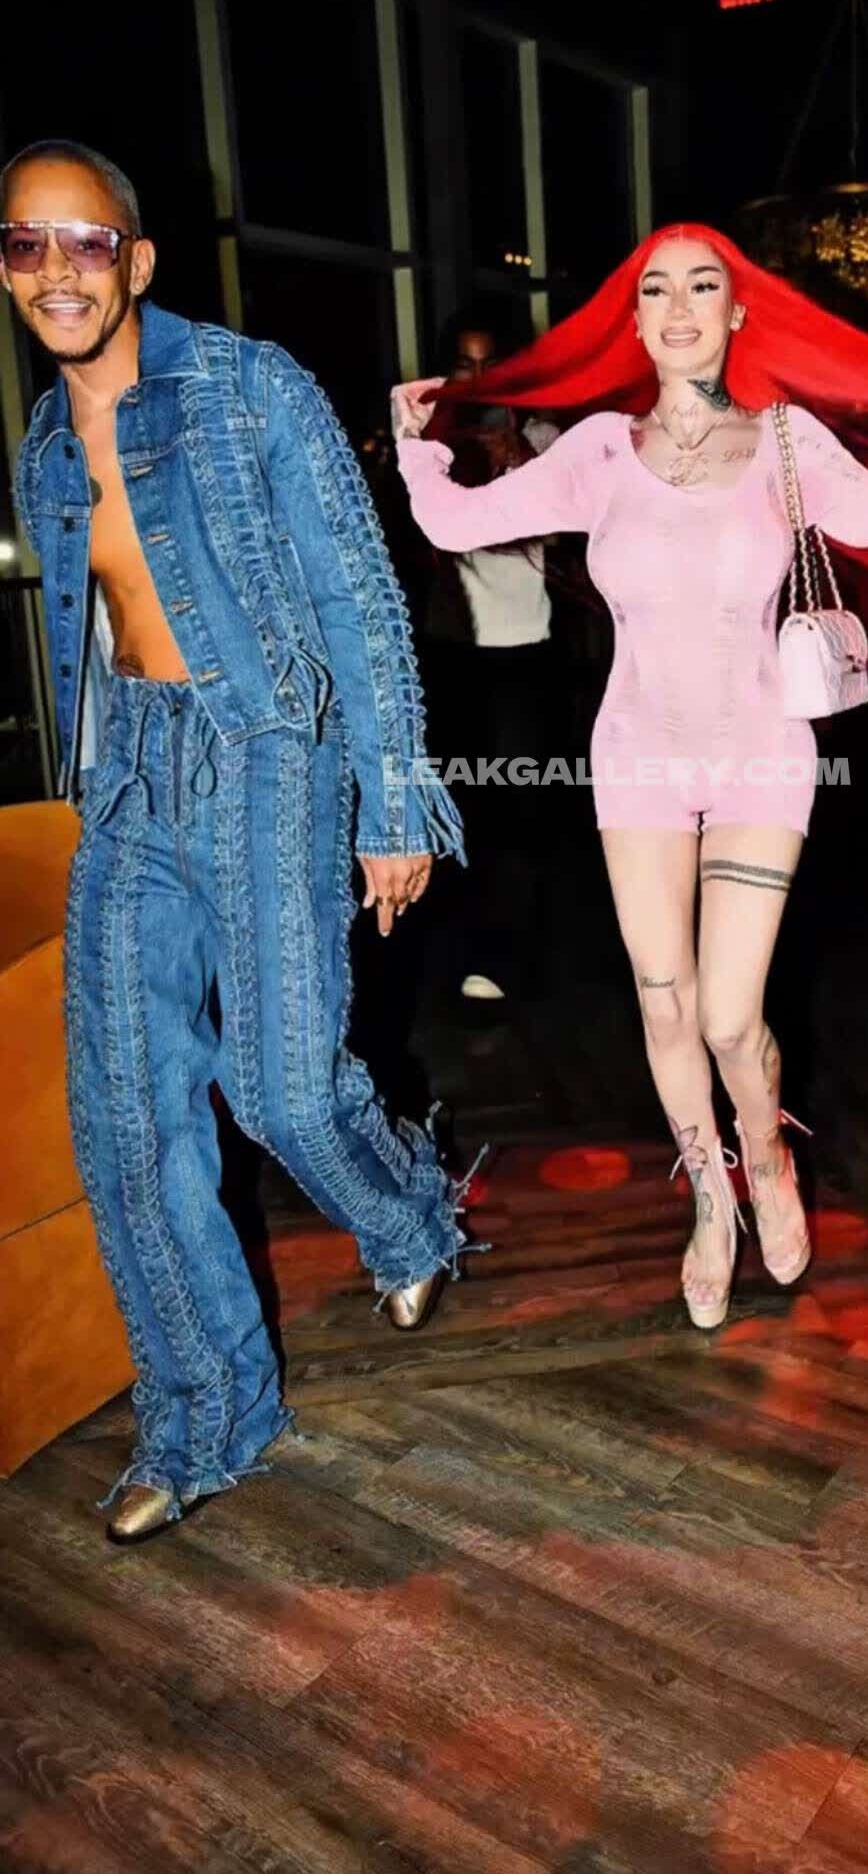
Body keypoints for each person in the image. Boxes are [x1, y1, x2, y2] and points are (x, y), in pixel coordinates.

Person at [391, 225, 868, 1330]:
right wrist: (419, 442)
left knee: (734, 1019)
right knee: (665, 1003)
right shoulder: (600, 452)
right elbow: (454, 517)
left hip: (758, 753)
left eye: (704, 287)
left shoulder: (789, 443)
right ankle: (709, 1198)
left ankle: (765, 1156)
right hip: (638, 756)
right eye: (657, 290)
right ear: (635, 320)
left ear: (739, 315)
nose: (681, 306)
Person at [5, 140, 466, 1546]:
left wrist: (394, 803)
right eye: (25, 244)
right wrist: (93, 787)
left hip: (267, 752)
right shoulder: (41, 446)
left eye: (87, 242)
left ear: (137, 261)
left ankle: (407, 1216)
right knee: (126, 1121)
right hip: (130, 776)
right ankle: (206, 1419)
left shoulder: (249, 388)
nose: (57, 269)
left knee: (281, 1090)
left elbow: (361, 600)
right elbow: (86, 637)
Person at [416, 311, 561, 1003]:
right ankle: (463, 947)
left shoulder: (543, 438)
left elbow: (561, 531)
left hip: (524, 645)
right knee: (458, 799)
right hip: (451, 646)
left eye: (489, 362)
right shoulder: (431, 441)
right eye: (463, 364)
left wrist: (521, 464)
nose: (477, 378)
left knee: (521, 803)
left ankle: (504, 958)